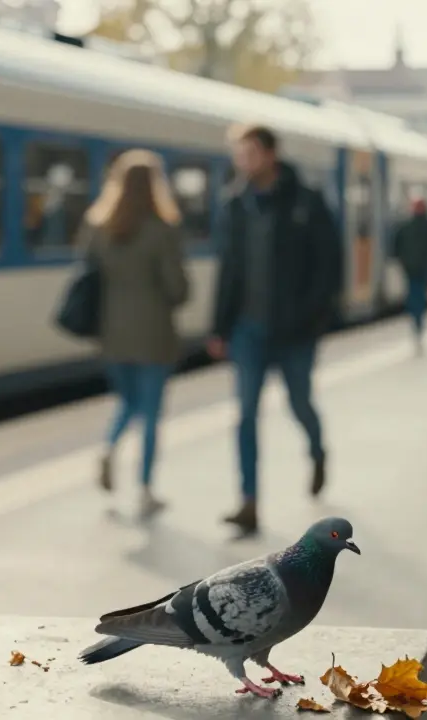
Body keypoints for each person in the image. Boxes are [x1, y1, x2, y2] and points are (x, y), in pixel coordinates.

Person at [208, 124, 343, 537]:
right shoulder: (234, 205)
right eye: (238, 154)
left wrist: (313, 317)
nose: (242, 162)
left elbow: (329, 265)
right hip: (249, 331)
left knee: (299, 403)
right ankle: (249, 503)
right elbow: (228, 271)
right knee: (245, 415)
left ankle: (318, 451)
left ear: (269, 154)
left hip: (296, 332)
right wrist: (219, 327)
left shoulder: (307, 202)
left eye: (249, 153)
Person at [83, 149, 190, 518]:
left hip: (112, 335)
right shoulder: (162, 229)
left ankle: (109, 448)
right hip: (154, 335)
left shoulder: (99, 226)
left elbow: (89, 275)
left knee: (127, 402)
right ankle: (145, 488)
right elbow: (178, 289)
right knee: (151, 414)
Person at [391, 196, 427, 354]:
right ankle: (419, 324)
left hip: (412, 270)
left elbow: (396, 248)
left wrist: (403, 262)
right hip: (424, 270)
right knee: (419, 298)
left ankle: (417, 324)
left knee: (415, 298)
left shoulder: (404, 226)